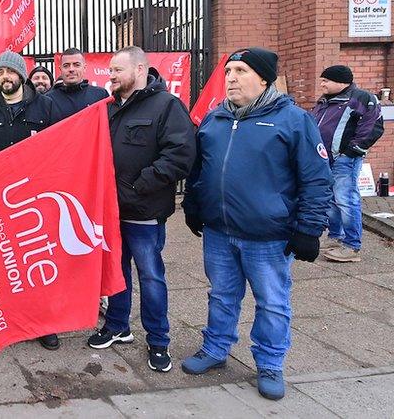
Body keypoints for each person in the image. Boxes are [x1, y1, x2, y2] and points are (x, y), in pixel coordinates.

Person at [182, 47, 332, 400]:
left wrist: (309, 229)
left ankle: (269, 363)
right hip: (219, 232)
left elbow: (316, 179)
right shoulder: (215, 119)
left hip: (268, 236)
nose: (230, 78)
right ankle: (216, 349)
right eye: (229, 71)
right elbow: (199, 170)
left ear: (263, 78)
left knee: (273, 302)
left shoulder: (293, 120)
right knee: (221, 295)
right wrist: (193, 204)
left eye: (241, 71)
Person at [86, 46, 196, 375]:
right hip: (111, 213)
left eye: (118, 70)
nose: (112, 76)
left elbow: (180, 156)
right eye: (110, 71)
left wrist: (137, 186)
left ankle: (159, 340)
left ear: (139, 69)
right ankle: (118, 325)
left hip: (144, 213)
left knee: (150, 277)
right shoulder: (107, 109)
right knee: (115, 274)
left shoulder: (166, 106)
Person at [0, 52, 58, 350]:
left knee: (37, 261)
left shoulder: (46, 105)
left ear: (21, 75)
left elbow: (58, 148)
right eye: (0, 72)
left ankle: (45, 324)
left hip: (35, 200)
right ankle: (12, 319)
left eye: (10, 71)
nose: (5, 77)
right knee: (6, 263)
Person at [310, 65, 384, 263]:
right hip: (325, 159)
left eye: (326, 80)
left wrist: (351, 152)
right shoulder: (325, 101)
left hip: (345, 159)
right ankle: (335, 237)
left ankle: (352, 246)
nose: (322, 83)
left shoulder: (361, 98)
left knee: (345, 200)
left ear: (341, 82)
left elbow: (373, 127)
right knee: (331, 200)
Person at [48, 48, 109, 122]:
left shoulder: (100, 95)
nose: (71, 69)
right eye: (66, 65)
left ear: (84, 68)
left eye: (76, 65)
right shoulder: (48, 99)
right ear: (60, 69)